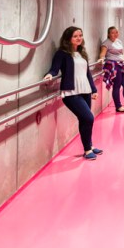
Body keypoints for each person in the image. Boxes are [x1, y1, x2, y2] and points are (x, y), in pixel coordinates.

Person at [43, 26, 103, 161]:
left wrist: (93, 89)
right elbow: (54, 68)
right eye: (75, 36)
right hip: (71, 92)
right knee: (89, 118)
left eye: (80, 35)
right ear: (68, 38)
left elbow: (87, 73)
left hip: (85, 90)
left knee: (85, 120)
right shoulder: (62, 53)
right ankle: (87, 149)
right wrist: (49, 75)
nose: (79, 38)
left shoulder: (82, 53)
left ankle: (89, 147)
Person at [98, 26, 124, 113]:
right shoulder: (106, 43)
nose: (115, 34)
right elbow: (102, 53)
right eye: (112, 33)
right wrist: (101, 59)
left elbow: (121, 54)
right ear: (108, 34)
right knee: (117, 86)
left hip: (122, 65)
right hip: (114, 66)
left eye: (116, 32)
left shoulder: (119, 41)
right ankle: (118, 106)